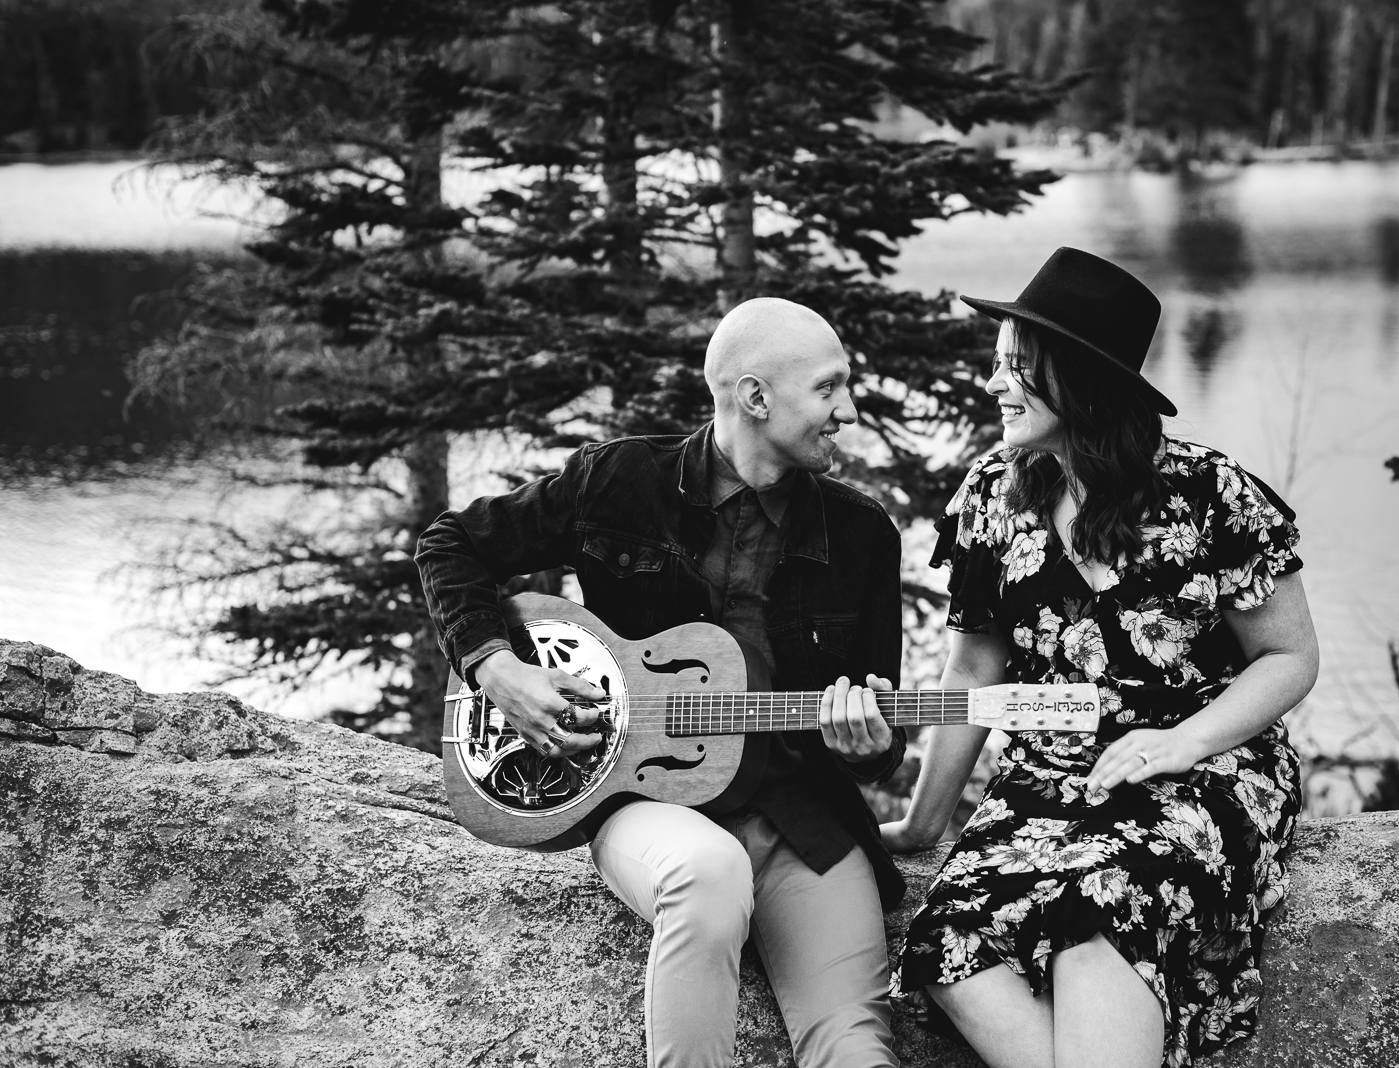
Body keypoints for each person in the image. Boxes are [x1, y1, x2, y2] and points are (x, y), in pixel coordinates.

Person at [415, 297, 907, 1068]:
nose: (847, 409)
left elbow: (879, 746)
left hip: (799, 820)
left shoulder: (862, 534)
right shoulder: (619, 480)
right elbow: (451, 546)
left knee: (855, 1046)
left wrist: (866, 745)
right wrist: (499, 668)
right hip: (642, 800)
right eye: (828, 388)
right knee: (708, 878)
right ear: (754, 397)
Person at [879, 248, 1318, 1068]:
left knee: (1093, 913)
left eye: (1016, 367)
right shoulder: (990, 495)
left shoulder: (1210, 494)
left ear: (1078, 378)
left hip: (1204, 766)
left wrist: (1184, 743)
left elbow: (1289, 659)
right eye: (998, 363)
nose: (994, 384)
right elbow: (974, 674)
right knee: (947, 944)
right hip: (1048, 778)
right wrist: (925, 819)